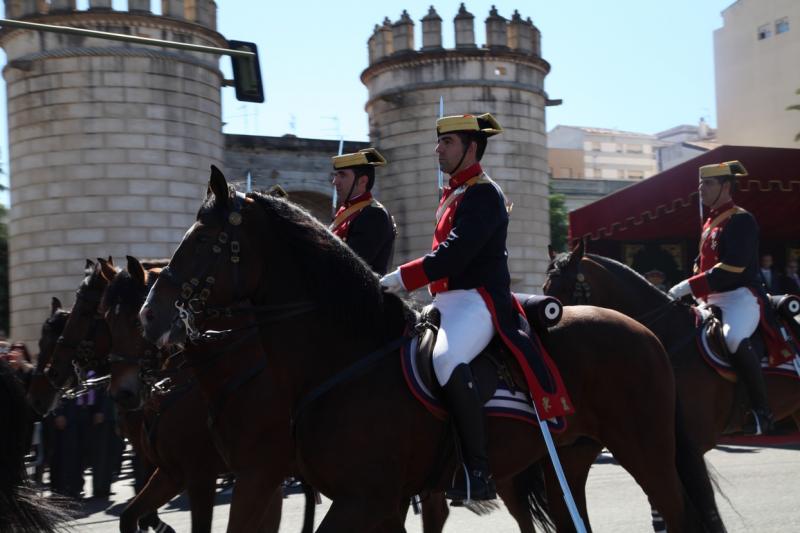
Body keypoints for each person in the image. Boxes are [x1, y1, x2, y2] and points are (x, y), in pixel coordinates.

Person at [380, 113, 572, 502]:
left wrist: (399, 278)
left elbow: (455, 255)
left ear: (471, 147)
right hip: (444, 301)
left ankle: (478, 470)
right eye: (439, 142)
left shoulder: (484, 193)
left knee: (446, 360)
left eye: (446, 142)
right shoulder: (453, 194)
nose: (438, 149)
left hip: (478, 301)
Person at [668, 160, 775, 435]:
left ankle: (762, 410)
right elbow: (702, 264)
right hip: (709, 298)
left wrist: (685, 287)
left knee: (732, 337)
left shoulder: (741, 219)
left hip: (740, 296)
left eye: (709, 183)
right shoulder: (710, 222)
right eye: (701, 183)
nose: (701, 189)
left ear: (726, 186)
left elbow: (732, 268)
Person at [330, 148, 396, 275]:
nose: (335, 182)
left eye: (342, 175)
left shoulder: (373, 214)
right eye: (335, 175)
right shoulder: (345, 212)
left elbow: (351, 264)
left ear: (362, 181)